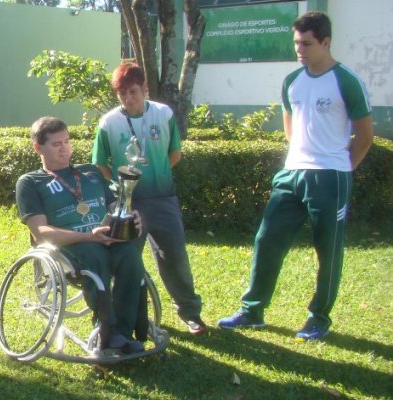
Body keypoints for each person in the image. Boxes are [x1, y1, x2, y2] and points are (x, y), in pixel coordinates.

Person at [217, 11, 374, 341]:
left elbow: (365, 135)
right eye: (296, 43)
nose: (299, 50)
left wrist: (343, 169)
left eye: (306, 43)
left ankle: (318, 318)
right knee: (267, 239)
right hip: (292, 173)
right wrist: (298, 160)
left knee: (328, 249)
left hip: (331, 176)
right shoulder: (292, 81)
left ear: (326, 42)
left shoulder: (346, 80)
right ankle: (252, 311)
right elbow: (291, 128)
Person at [92, 62, 207, 335]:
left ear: (144, 89)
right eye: (122, 94)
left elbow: (174, 154)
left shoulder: (163, 114)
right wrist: (119, 190)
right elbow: (100, 163)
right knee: (127, 259)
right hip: (128, 206)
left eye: (133, 92)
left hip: (163, 198)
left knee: (175, 256)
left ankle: (191, 314)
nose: (128, 99)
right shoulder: (109, 122)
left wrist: (156, 173)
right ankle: (126, 319)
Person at [15, 116, 145, 354]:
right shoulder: (31, 182)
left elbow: (115, 205)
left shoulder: (91, 173)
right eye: (56, 144)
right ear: (38, 148)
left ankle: (123, 333)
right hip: (69, 249)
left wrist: (128, 215)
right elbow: (41, 232)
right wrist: (88, 237)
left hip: (105, 240)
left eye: (67, 141)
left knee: (129, 254)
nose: (65, 149)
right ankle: (108, 330)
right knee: (94, 254)